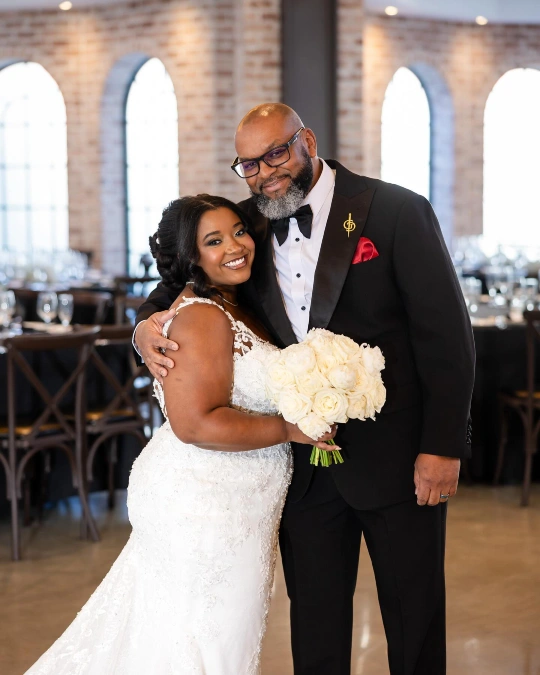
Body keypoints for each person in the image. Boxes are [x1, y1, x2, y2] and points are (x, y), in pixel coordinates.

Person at [135, 104, 475, 675]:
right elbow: (177, 283)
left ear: (307, 142)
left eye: (276, 153)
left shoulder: (396, 210)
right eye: (248, 164)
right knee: (315, 630)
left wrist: (443, 446)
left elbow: (447, 336)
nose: (265, 173)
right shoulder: (244, 226)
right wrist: (143, 327)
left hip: (399, 459)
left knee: (414, 621)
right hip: (302, 471)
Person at [25, 194, 336, 675]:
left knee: (199, 640)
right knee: (198, 645)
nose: (235, 246)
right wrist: (290, 428)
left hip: (239, 500)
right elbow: (194, 424)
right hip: (206, 504)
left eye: (238, 231)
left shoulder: (237, 301)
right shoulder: (203, 315)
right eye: (214, 241)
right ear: (191, 257)